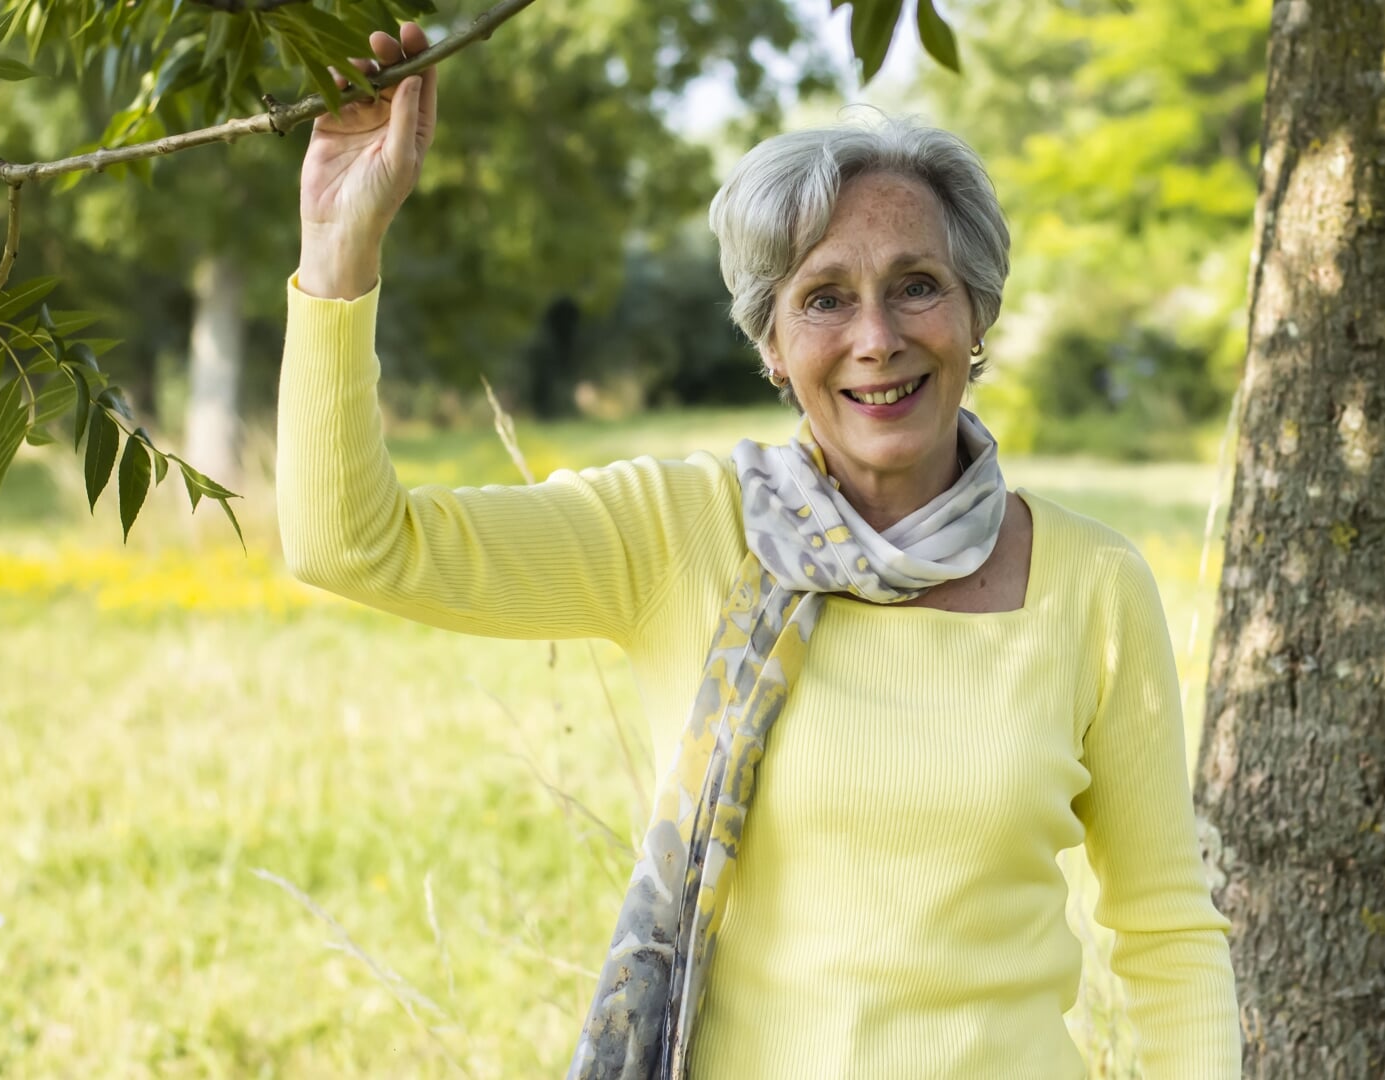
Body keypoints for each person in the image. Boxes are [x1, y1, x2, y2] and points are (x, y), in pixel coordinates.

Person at [279, 20, 1240, 1080]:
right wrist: (338, 250)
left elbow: (1164, 930)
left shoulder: (1092, 584)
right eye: (824, 300)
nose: (876, 337)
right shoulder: (680, 532)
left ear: (976, 315)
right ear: (772, 348)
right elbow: (350, 544)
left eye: (916, 284)